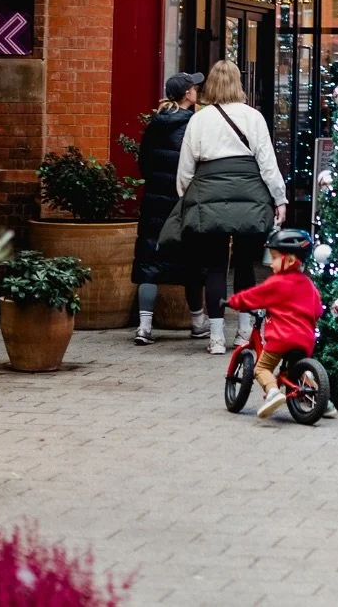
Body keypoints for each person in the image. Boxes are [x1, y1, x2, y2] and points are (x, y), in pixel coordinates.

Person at [174, 60, 288, 356]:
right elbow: (267, 163)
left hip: (209, 194)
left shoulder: (198, 120)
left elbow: (186, 167)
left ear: (210, 85)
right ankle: (244, 333)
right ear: (238, 83)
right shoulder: (253, 117)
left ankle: (215, 338)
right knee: (246, 264)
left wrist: (186, 196)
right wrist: (280, 199)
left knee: (214, 265)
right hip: (249, 194)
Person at [130, 71, 208, 346]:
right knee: (192, 260)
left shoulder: (156, 122)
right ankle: (198, 322)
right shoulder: (194, 124)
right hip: (183, 201)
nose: (197, 91)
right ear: (187, 94)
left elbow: (144, 163)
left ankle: (144, 326)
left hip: (154, 200)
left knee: (150, 260)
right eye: (194, 88)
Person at [227, 227, 324, 421]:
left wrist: (232, 301)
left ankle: (272, 392)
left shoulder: (277, 282)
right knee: (295, 370)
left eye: (274, 257)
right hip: (305, 339)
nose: (270, 264)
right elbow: (318, 310)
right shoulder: (309, 285)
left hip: (282, 338)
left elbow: (253, 296)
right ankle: (322, 401)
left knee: (261, 369)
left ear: (289, 260)